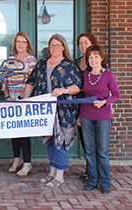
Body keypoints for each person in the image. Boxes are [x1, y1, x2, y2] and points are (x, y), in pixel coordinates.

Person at [22, 34, 82, 188]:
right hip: (45, 110)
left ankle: (60, 176)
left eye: (57, 45)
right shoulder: (41, 63)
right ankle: (52, 172)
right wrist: (24, 101)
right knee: (50, 142)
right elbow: (31, 82)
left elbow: (78, 87)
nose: (54, 48)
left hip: (63, 110)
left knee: (60, 142)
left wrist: (64, 89)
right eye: (51, 45)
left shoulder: (69, 65)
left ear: (63, 47)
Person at [79, 44, 120, 194]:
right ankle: (92, 180)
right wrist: (79, 116)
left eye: (96, 56)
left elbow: (116, 95)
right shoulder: (85, 75)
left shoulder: (109, 75)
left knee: (102, 151)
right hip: (86, 116)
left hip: (103, 117)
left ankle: (104, 183)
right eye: (90, 57)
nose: (93, 59)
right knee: (89, 150)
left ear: (102, 58)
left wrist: (105, 102)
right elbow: (83, 96)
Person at [3, 32, 37, 177]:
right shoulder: (9, 60)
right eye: (18, 41)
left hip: (25, 101)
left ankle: (27, 163)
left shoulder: (32, 60)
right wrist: (7, 97)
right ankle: (16, 160)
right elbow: (4, 80)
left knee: (24, 133)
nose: (20, 44)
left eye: (23, 42)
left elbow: (32, 81)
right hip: (11, 101)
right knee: (13, 132)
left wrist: (23, 98)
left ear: (27, 44)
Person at [74, 32, 97, 183]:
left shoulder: (97, 61)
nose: (83, 46)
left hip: (96, 107)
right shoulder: (75, 63)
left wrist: (110, 104)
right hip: (80, 107)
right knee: (86, 142)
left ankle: (96, 173)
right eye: (80, 43)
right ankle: (90, 171)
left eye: (86, 42)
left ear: (92, 43)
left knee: (96, 143)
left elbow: (108, 85)